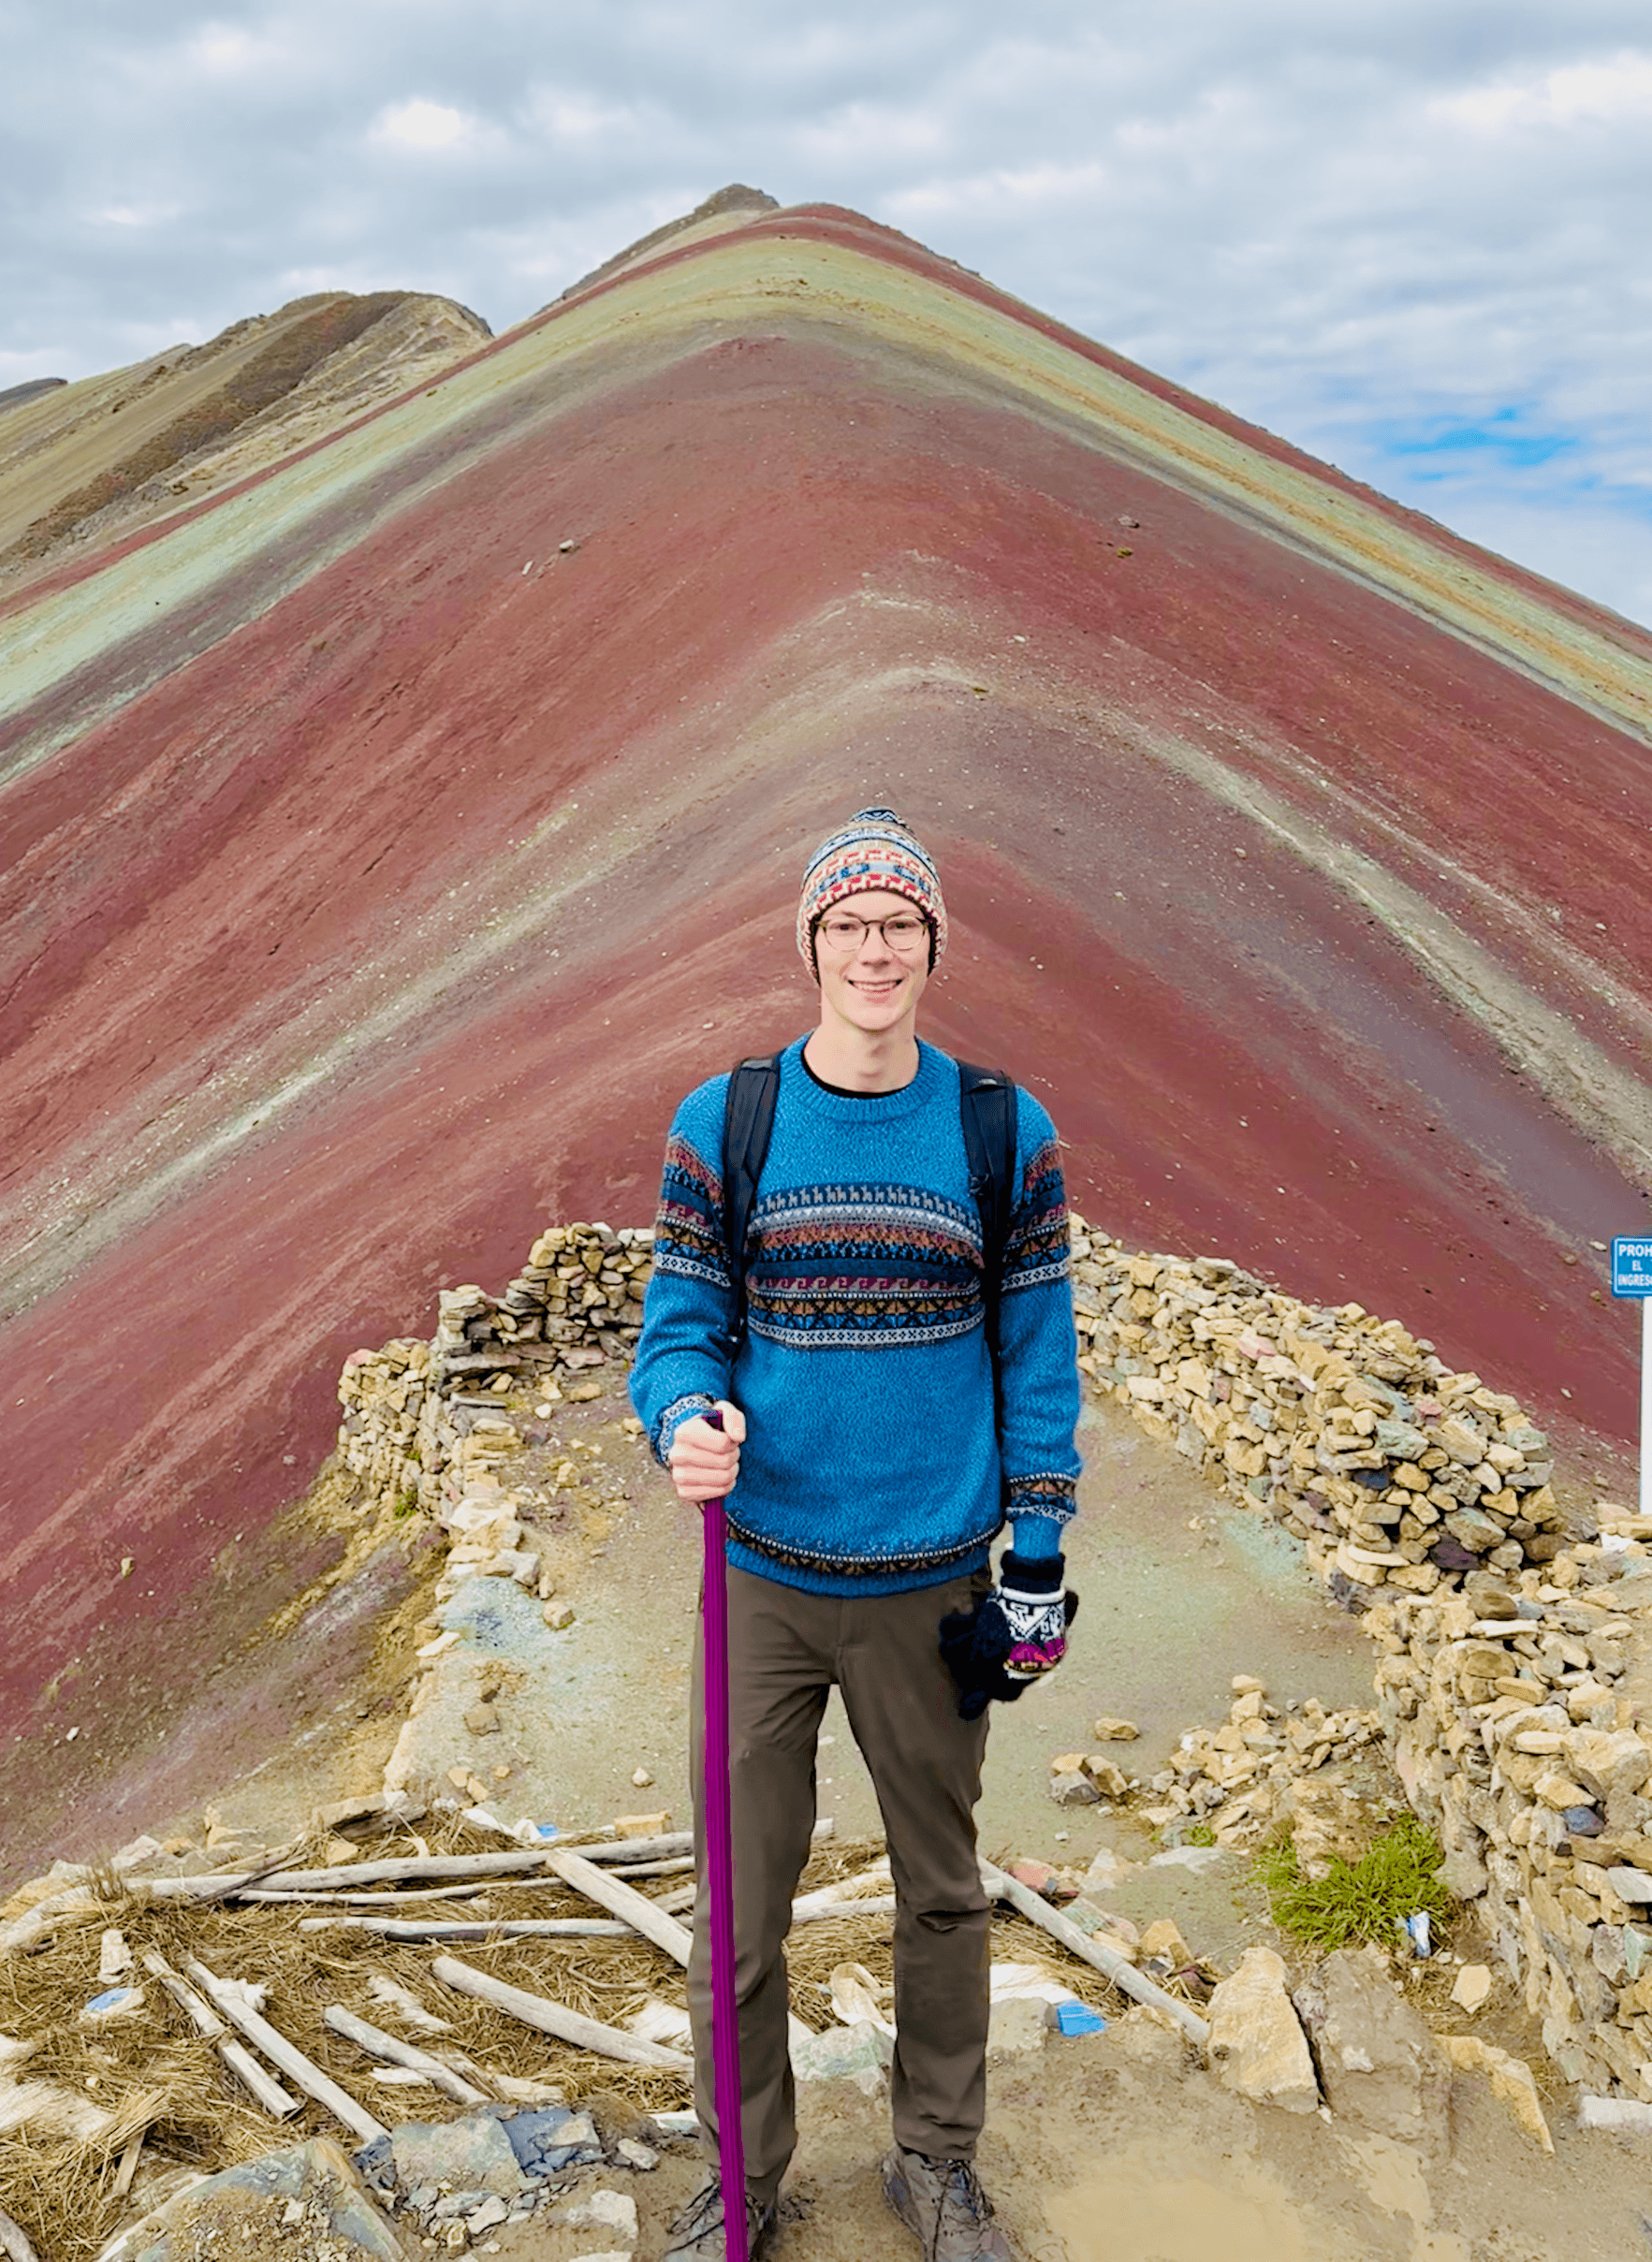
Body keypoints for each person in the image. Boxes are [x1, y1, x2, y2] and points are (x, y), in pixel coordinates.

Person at [629, 806, 1083, 2262]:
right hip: (761, 1575)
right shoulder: (728, 1121)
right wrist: (684, 1412)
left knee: (942, 1890)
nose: (874, 947)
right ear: (812, 946)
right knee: (742, 1905)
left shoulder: (1003, 1129)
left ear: (933, 946)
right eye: (848, 923)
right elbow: (676, 1330)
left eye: (899, 923)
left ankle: (936, 2164)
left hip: (935, 1584)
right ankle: (744, 2175)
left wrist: (1036, 1550)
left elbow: (1038, 1351)